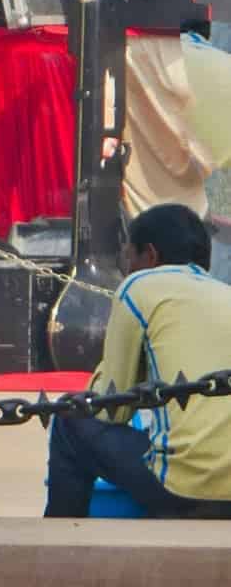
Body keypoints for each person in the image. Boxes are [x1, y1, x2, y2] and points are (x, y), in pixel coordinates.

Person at [44, 204, 231, 518]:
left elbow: (113, 407)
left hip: (183, 488)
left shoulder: (139, 286)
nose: (127, 267)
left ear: (151, 256)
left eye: (129, 256)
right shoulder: (225, 293)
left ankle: (59, 543)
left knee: (69, 420)